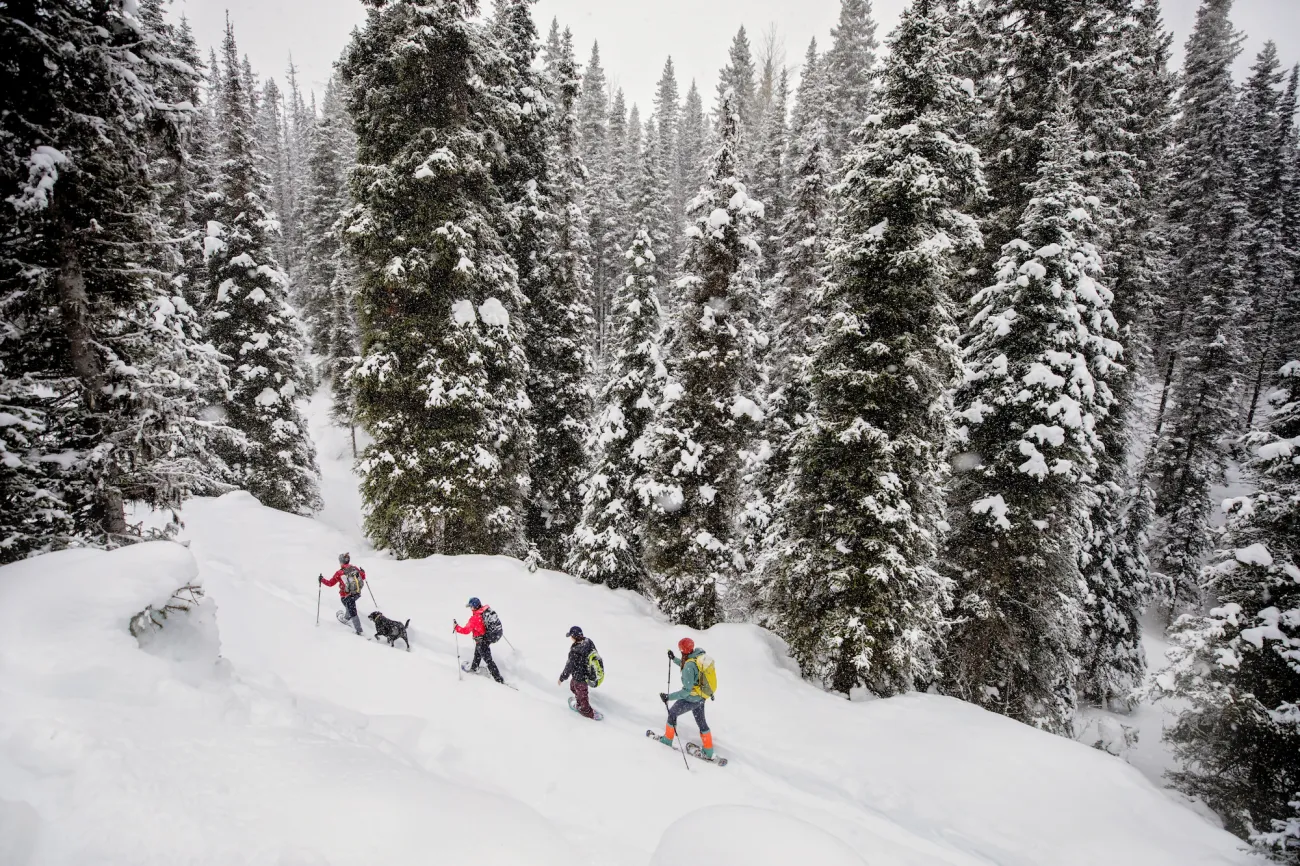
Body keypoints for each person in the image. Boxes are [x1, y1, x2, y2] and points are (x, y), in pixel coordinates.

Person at [658, 637, 715, 758]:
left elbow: (685, 692)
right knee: (702, 723)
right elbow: (688, 667)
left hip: (692, 698)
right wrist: (674, 659)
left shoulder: (689, 665)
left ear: (682, 649)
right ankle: (709, 751)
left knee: (672, 713)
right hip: (701, 697)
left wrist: (669, 697)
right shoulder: (697, 657)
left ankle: (667, 740)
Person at [453, 597, 503, 683]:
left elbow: (466, 631)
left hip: (482, 640)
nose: (470, 608)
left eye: (471, 606)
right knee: (477, 654)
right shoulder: (484, 612)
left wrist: (456, 627)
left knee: (488, 660)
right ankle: (474, 667)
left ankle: (499, 679)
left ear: (474, 607)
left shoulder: (475, 618)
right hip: (484, 638)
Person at [320, 552, 366, 635]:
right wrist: (362, 572)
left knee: (352, 611)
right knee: (350, 607)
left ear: (341, 561)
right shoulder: (355, 568)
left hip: (346, 596)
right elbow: (363, 577)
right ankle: (347, 617)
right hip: (357, 593)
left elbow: (330, 583)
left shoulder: (339, 573)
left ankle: (359, 631)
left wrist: (322, 580)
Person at [558, 626, 597, 718]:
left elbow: (569, 667)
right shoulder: (588, 642)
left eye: (571, 636)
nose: (570, 638)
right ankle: (579, 701)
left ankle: (586, 712)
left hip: (580, 677)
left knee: (582, 695)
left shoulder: (575, 651)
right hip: (587, 674)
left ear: (573, 637)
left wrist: (562, 677)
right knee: (573, 687)